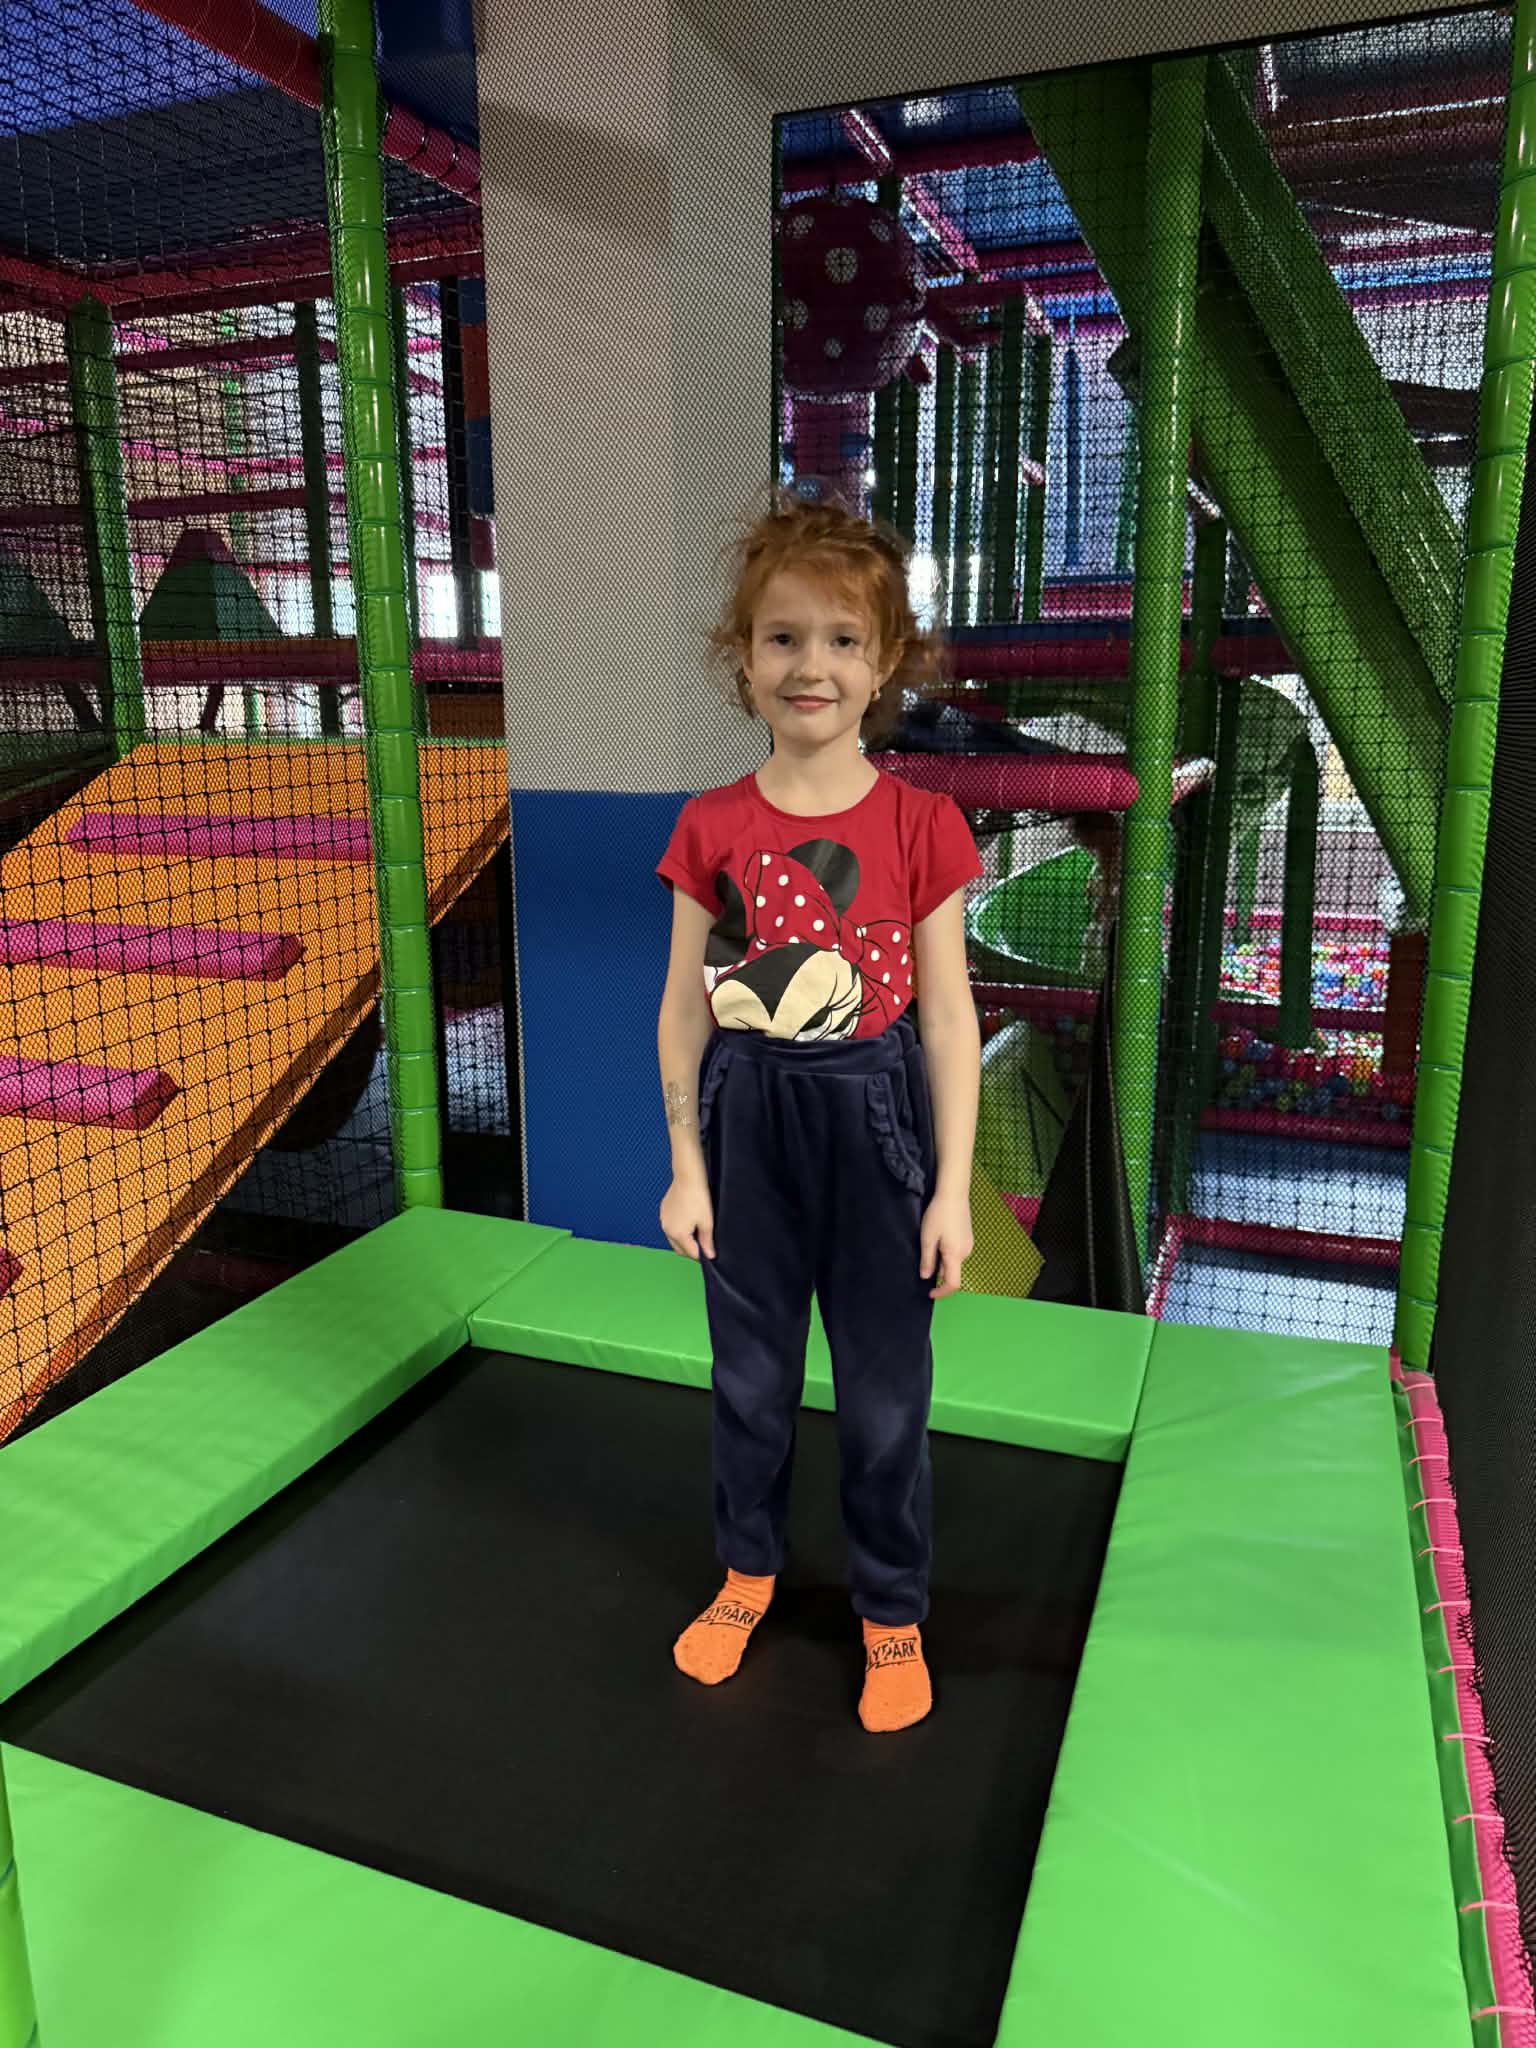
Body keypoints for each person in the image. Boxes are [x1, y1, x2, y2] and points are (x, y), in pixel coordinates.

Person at [655, 492, 982, 1733]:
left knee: (886, 1393)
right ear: (743, 658)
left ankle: (891, 1608)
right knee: (749, 1380)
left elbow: (947, 1021)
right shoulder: (713, 825)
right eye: (784, 637)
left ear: (884, 661)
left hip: (876, 1117)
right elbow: (683, 1009)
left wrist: (951, 1191)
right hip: (746, 1119)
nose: (812, 665)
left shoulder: (921, 823)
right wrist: (687, 1164)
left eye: (844, 640)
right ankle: (748, 1570)